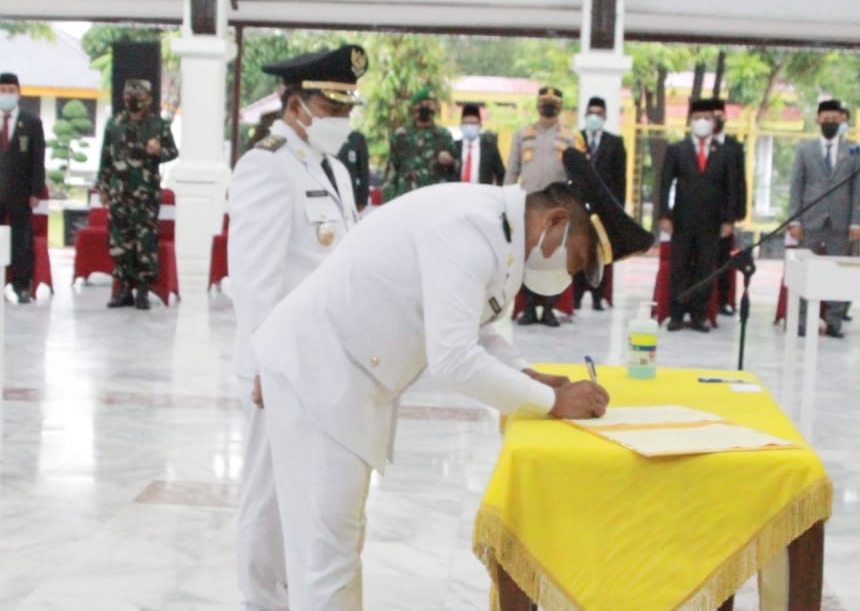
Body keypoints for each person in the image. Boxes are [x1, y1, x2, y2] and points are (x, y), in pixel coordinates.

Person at [252, 148, 653, 609]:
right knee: (326, 558)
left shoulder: (497, 230)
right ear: (555, 223)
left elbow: (476, 332)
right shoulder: (468, 229)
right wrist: (553, 404)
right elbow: (454, 358)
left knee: (331, 549)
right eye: (578, 262)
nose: (570, 275)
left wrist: (530, 377)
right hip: (318, 373)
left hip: (344, 376)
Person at [227, 44, 364, 611]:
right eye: (333, 106)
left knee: (307, 498)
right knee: (267, 499)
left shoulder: (330, 168)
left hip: (325, 362)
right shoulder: (266, 165)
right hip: (281, 365)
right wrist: (263, 364)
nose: (343, 119)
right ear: (297, 104)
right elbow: (255, 278)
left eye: (347, 107)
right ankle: (260, 602)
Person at [786, 99, 860, 338]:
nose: (831, 123)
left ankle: (834, 321)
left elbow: (859, 188)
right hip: (810, 220)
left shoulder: (854, 150)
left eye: (835, 120)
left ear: (842, 121)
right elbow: (796, 186)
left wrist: (856, 221)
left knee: (837, 273)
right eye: (826, 119)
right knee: (806, 271)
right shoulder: (805, 150)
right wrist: (794, 220)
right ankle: (802, 322)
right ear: (817, 120)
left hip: (841, 223)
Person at [505, 86, 585, 326]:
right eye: (544, 101)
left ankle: (549, 309)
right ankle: (529, 308)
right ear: (538, 105)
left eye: (553, 102)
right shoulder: (523, 134)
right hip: (527, 205)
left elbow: (579, 175)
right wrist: (507, 199)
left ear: (560, 107)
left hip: (557, 207)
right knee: (526, 258)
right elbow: (512, 169)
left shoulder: (571, 137)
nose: (548, 106)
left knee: (552, 261)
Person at [96, 79, 178, 310]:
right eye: (129, 98)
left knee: (145, 242)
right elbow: (106, 158)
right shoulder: (115, 124)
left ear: (149, 100)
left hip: (146, 195)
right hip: (119, 193)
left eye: (139, 99)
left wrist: (158, 151)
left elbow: (173, 152)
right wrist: (103, 187)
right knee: (120, 242)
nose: (133, 103)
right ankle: (123, 289)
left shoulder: (158, 125)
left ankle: (143, 290)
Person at [658, 98, 736, 333]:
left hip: (712, 223)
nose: (702, 122)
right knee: (679, 268)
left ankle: (700, 315)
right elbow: (664, 184)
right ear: (690, 121)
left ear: (714, 122)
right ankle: (677, 314)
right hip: (681, 221)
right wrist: (664, 215)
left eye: (707, 118)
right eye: (697, 118)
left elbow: (731, 188)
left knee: (705, 269)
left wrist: (728, 220)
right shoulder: (677, 150)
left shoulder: (724, 153)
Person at [0, 72, 45, 304]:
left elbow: (37, 160)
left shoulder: (32, 123)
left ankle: (22, 285)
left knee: (21, 240)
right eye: (3, 90)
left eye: (11, 90)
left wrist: (35, 191)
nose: (7, 94)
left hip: (21, 193)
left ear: (18, 93)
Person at [573, 96, 626, 311]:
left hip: (604, 207)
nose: (594, 117)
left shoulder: (615, 142)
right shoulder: (576, 140)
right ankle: (576, 295)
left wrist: (618, 209)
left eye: (599, 113)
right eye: (591, 113)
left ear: (605, 116)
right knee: (578, 250)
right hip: (578, 204)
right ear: (585, 115)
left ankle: (598, 295)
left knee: (601, 251)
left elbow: (620, 178)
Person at [383, 88, 456, 200]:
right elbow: (392, 170)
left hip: (435, 198)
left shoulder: (444, 136)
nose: (425, 109)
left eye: (429, 105)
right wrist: (388, 199)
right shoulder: (401, 135)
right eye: (422, 105)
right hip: (405, 197)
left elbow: (456, 170)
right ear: (414, 108)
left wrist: (451, 163)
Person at [710, 98, 747, 316]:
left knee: (724, 260)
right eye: (711, 115)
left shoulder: (734, 147)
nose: (716, 119)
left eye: (719, 115)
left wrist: (735, 215)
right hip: (700, 213)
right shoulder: (694, 144)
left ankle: (724, 300)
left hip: (725, 214)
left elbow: (739, 182)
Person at [454, 102, 505, 185]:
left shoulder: (490, 148)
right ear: (461, 126)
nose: (469, 127)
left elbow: (501, 174)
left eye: (473, 123)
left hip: (482, 194)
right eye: (466, 124)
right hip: (457, 194)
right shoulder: (454, 147)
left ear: (480, 125)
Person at [336, 127, 371, 212]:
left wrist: (362, 199)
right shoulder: (320, 135)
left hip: (350, 194)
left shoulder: (356, 138)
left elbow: (363, 171)